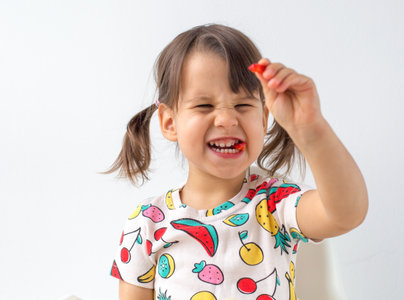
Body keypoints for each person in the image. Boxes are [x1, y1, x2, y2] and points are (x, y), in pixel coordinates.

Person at [104, 23, 368, 300]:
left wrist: (312, 129)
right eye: (204, 106)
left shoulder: (277, 203)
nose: (227, 119)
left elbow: (346, 214)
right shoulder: (147, 223)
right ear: (170, 122)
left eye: (243, 105)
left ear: (264, 118)